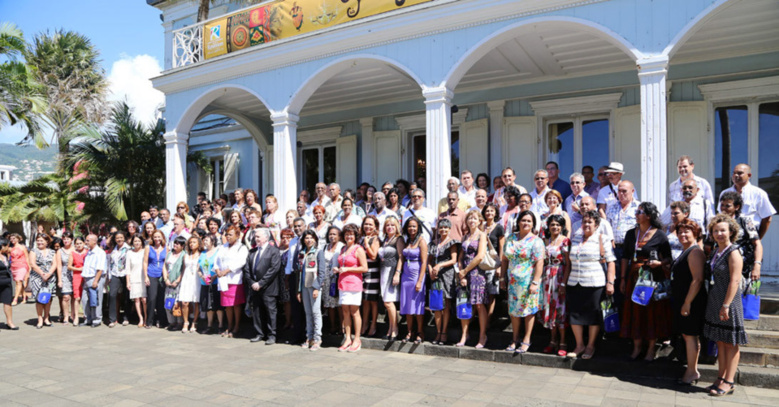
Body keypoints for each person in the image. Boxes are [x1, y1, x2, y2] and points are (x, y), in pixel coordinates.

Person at [620, 202, 672, 361]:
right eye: (636, 211)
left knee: (651, 313)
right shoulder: (631, 234)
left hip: (652, 278)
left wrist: (660, 264)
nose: (636, 214)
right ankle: (636, 348)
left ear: (649, 216)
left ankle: (650, 349)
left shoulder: (660, 235)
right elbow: (625, 257)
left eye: (640, 212)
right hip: (634, 278)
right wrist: (622, 278)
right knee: (634, 312)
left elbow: (669, 258)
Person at [703, 214, 748, 396]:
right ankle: (720, 378)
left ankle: (729, 381)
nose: (719, 234)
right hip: (716, 299)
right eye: (716, 231)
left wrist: (726, 305)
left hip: (729, 302)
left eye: (723, 230)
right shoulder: (715, 251)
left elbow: (735, 281)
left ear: (731, 232)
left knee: (731, 343)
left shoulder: (734, 251)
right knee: (720, 342)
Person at [563, 211, 616, 359]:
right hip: (575, 282)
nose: (586, 225)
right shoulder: (576, 238)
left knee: (593, 315)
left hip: (595, 283)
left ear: (597, 225)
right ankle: (579, 344)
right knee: (575, 313)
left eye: (590, 222)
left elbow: (611, 262)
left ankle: (591, 346)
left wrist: (610, 282)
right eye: (584, 222)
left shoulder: (602, 239)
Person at [501, 210, 545, 353]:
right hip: (513, 282)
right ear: (518, 222)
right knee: (513, 310)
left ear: (533, 224)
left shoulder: (536, 241)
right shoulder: (511, 238)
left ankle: (526, 339)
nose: (526, 223)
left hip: (528, 282)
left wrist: (535, 282)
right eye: (523, 220)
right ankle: (515, 339)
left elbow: (540, 263)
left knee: (528, 310)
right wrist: (502, 278)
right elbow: (505, 259)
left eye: (529, 221)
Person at [670, 219, 707, 386]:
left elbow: (697, 280)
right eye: (680, 232)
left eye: (687, 231)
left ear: (695, 234)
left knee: (690, 335)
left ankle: (692, 371)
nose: (682, 235)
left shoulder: (695, 252)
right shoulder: (685, 251)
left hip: (692, 301)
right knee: (686, 334)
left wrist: (687, 303)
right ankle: (691, 370)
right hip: (683, 299)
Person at [244, 228, 282, 346]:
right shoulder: (252, 251)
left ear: (266, 237)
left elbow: (274, 269)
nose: (256, 239)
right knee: (257, 311)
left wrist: (261, 283)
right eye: (255, 237)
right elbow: (247, 269)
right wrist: (252, 283)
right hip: (254, 287)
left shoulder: (273, 251)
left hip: (268, 288)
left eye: (259, 236)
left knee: (270, 312)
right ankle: (259, 333)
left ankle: (272, 335)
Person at [334, 224, 369, 352]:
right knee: (345, 312)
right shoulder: (343, 249)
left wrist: (348, 269)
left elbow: (364, 268)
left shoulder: (358, 249)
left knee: (355, 311)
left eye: (351, 234)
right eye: (347, 234)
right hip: (342, 283)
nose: (349, 236)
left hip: (354, 283)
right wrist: (338, 269)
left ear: (355, 236)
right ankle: (348, 338)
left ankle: (357, 339)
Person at [720, 163, 776, 239]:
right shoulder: (725, 193)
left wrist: (758, 238)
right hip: (728, 235)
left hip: (749, 236)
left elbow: (767, 218)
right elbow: (721, 215)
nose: (736, 175)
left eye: (740, 173)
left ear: (749, 175)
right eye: (734, 173)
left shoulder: (758, 193)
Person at [541, 215, 571, 355]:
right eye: (552, 224)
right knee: (550, 309)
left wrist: (564, 283)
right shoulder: (546, 241)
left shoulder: (565, 241)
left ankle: (563, 342)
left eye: (558, 225)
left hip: (559, 276)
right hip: (547, 278)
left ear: (562, 227)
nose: (555, 227)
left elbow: (568, 263)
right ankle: (552, 341)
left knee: (560, 310)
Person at [719, 191, 763, 280]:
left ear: (737, 207)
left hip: (743, 268)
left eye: (727, 206)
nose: (723, 208)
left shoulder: (744, 221)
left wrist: (757, 265)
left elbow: (757, 244)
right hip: (721, 267)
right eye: (722, 205)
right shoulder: (716, 222)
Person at [428, 218, 458, 345]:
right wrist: (430, 270)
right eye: (441, 227)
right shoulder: (433, 243)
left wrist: (440, 265)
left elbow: (453, 260)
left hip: (447, 274)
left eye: (446, 227)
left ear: (449, 229)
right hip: (435, 275)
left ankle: (444, 332)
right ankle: (438, 331)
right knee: (436, 305)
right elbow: (429, 260)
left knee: (446, 304)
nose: (443, 229)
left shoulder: (452, 242)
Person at [398, 217, 428, 344]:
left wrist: (420, 281)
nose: (412, 228)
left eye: (414, 226)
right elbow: (401, 258)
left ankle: (420, 332)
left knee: (417, 305)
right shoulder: (406, 241)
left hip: (417, 275)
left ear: (418, 227)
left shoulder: (421, 241)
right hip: (406, 276)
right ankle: (409, 331)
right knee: (407, 304)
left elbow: (424, 262)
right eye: (410, 226)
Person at [215, 226, 248, 338]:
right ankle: (229, 325)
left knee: (236, 304)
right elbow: (216, 261)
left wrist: (227, 270)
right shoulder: (222, 247)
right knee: (227, 305)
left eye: (231, 234)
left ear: (237, 235)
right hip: (223, 280)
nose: (228, 237)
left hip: (235, 279)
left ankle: (237, 326)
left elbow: (241, 262)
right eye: (227, 234)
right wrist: (218, 270)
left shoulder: (241, 248)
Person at [295, 230, 323, 349]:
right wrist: (299, 290)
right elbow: (298, 273)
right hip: (304, 287)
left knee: (316, 312)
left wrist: (317, 287)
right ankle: (309, 337)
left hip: (314, 286)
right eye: (306, 238)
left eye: (311, 238)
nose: (309, 240)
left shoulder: (318, 252)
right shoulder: (301, 253)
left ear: (315, 239)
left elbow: (322, 272)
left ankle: (317, 338)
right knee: (308, 313)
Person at [29, 233, 58, 329]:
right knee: (39, 299)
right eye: (38, 240)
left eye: (41, 240)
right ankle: (40, 319)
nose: (39, 242)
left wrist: (49, 274)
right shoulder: (33, 251)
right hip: (37, 278)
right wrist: (42, 273)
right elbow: (32, 264)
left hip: (50, 278)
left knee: (48, 298)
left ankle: (46, 317)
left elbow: (55, 264)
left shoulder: (52, 252)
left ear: (47, 242)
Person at [360, 216, 381, 337]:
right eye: (366, 224)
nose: (367, 226)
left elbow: (373, 256)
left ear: (375, 226)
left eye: (370, 224)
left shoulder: (375, 239)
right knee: (365, 300)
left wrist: (367, 244)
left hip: (373, 271)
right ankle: (364, 323)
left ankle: (373, 324)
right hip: (363, 272)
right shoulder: (362, 238)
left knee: (372, 300)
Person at [482, 202, 504, 319]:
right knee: (482, 293)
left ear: (495, 213)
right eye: (487, 211)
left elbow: (502, 248)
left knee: (491, 294)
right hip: (481, 263)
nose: (489, 213)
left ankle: (488, 320)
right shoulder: (481, 227)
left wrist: (500, 266)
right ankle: (482, 319)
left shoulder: (499, 227)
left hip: (492, 263)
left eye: (491, 210)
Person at [320, 226, 344, 335]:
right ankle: (333, 326)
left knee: (339, 304)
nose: (332, 236)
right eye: (330, 234)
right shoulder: (325, 247)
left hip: (337, 278)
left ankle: (342, 327)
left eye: (334, 234)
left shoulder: (342, 247)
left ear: (339, 236)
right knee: (329, 304)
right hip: (326, 279)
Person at [198, 234, 223, 334]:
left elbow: (221, 267)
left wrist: (214, 276)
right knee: (207, 305)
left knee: (217, 304)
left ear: (213, 241)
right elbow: (198, 268)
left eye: (207, 240)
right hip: (205, 282)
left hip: (215, 282)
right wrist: (202, 276)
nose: (205, 242)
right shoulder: (202, 253)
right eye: (204, 240)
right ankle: (209, 325)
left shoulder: (218, 252)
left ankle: (220, 325)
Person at [81, 234, 107, 328]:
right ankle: (88, 318)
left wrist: (95, 281)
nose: (86, 242)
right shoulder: (89, 252)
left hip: (95, 278)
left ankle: (96, 319)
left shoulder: (100, 252)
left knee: (95, 300)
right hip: (86, 279)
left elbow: (100, 269)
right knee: (85, 300)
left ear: (94, 241)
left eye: (88, 240)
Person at [178, 236, 203, 333]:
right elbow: (183, 268)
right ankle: (185, 321)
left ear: (198, 244)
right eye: (190, 242)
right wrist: (180, 279)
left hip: (196, 278)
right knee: (185, 302)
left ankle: (194, 322)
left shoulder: (201, 255)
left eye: (194, 242)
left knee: (196, 301)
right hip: (186, 279)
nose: (192, 244)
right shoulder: (186, 255)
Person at [144, 230, 167, 329]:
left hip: (162, 275)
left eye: (159, 237)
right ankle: (149, 320)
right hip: (151, 274)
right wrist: (145, 276)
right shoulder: (148, 248)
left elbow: (166, 263)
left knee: (161, 299)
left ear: (162, 237)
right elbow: (145, 262)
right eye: (155, 237)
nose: (157, 239)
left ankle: (161, 320)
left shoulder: (167, 248)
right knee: (152, 298)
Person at [162, 236, 185, 331]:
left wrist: (178, 280)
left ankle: (179, 322)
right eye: (175, 243)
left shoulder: (184, 255)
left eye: (178, 243)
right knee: (167, 301)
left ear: (182, 246)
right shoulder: (169, 253)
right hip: (168, 281)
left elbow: (183, 269)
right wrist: (165, 279)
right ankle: (171, 322)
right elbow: (164, 266)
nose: (175, 245)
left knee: (177, 303)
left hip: (178, 282)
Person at [107, 231, 130, 327]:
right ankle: (113, 319)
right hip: (114, 274)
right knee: (112, 295)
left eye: (121, 237)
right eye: (117, 238)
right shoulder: (114, 249)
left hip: (125, 274)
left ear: (124, 238)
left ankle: (126, 317)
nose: (119, 239)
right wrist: (109, 276)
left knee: (126, 296)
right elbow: (110, 263)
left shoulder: (128, 249)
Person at [126, 233, 147, 328]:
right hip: (134, 278)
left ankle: (146, 317)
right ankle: (141, 318)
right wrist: (128, 282)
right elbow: (127, 269)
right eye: (135, 241)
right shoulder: (129, 253)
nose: (137, 243)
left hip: (144, 277)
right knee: (137, 299)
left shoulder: (145, 251)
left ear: (142, 242)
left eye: (139, 241)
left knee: (144, 299)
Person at [54, 232, 74, 324]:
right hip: (65, 275)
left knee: (75, 297)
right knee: (65, 297)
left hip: (75, 274)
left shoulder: (75, 249)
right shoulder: (60, 251)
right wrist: (59, 279)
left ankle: (73, 315)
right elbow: (59, 266)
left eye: (68, 239)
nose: (66, 240)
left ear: (72, 240)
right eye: (64, 239)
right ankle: (65, 316)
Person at [0, 237, 19, 330]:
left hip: (6, 282)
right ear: (2, 246)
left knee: (8, 302)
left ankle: (9, 322)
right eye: (7, 246)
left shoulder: (5, 256)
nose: (8, 248)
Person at [69, 237, 88, 326]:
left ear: (84, 243)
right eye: (77, 243)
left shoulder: (88, 252)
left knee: (86, 296)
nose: (79, 245)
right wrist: (78, 268)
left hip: (87, 276)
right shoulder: (72, 253)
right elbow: (69, 266)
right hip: (77, 276)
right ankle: (76, 316)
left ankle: (86, 315)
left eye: (80, 243)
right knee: (77, 297)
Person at [9, 233, 30, 305]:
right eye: (11, 238)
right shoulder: (11, 248)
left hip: (22, 265)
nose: (12, 240)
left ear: (18, 239)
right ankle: (24, 297)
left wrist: (28, 268)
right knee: (19, 282)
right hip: (14, 266)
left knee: (19, 281)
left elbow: (27, 258)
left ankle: (15, 299)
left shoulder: (23, 247)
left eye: (14, 238)